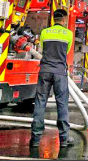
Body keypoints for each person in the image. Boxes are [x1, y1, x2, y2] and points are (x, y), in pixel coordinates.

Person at [30, 9, 75, 148]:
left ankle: (36, 139)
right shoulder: (68, 34)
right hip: (60, 72)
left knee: (40, 102)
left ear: (53, 19)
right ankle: (64, 139)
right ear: (64, 19)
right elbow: (66, 51)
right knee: (62, 104)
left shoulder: (44, 33)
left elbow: (43, 49)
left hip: (45, 71)